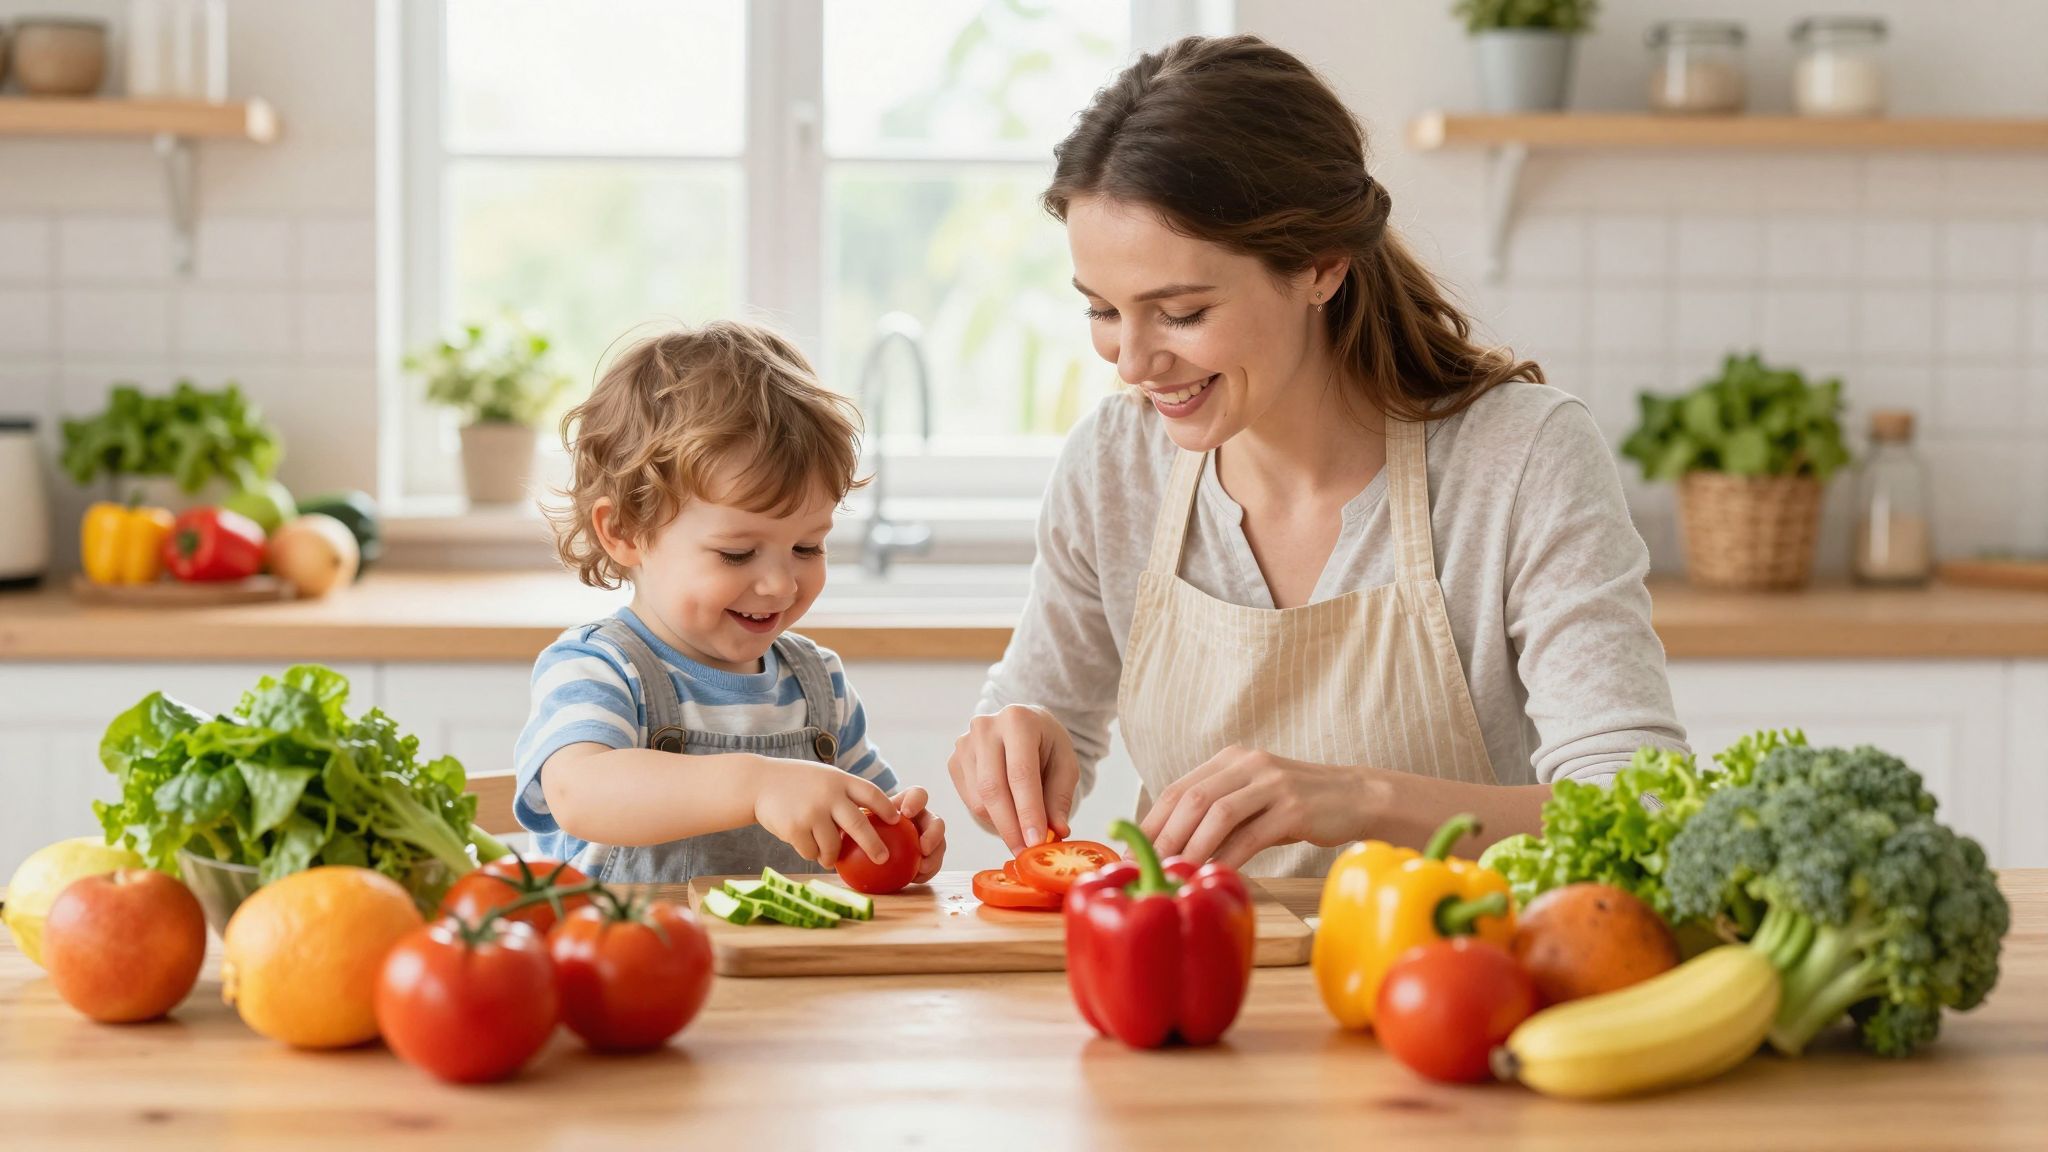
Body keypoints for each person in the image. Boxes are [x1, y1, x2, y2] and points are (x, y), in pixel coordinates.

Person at [949, 35, 1686, 876]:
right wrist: (1020, 738)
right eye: (1102, 310)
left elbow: (1645, 810)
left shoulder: (1519, 459)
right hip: (1186, 983)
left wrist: (1365, 802)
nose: (1131, 362)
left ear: (1321, 269)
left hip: (1454, 983)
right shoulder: (1114, 465)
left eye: (1181, 313)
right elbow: (1042, 710)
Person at [514, 321, 946, 883]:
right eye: (738, 554)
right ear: (623, 531)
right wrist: (757, 784)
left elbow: (867, 814)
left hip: (783, 965)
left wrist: (903, 835)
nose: (780, 584)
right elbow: (579, 792)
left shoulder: (820, 684)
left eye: (807, 546)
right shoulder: (597, 669)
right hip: (630, 961)